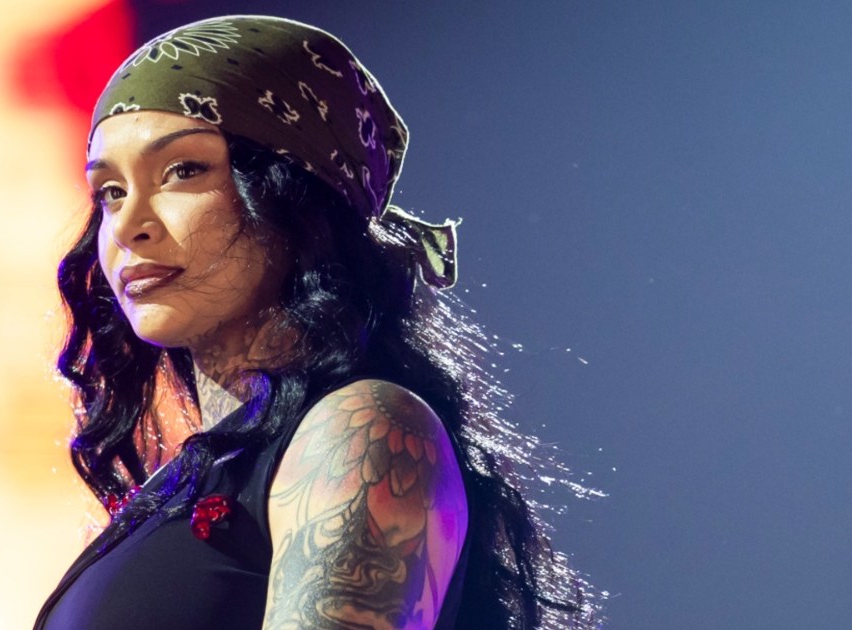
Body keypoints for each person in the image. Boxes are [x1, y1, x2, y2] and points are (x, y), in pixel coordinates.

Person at [35, 15, 601, 629]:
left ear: (293, 194)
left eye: (184, 171)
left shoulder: (362, 432)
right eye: (111, 191)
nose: (127, 225)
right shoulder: (201, 472)